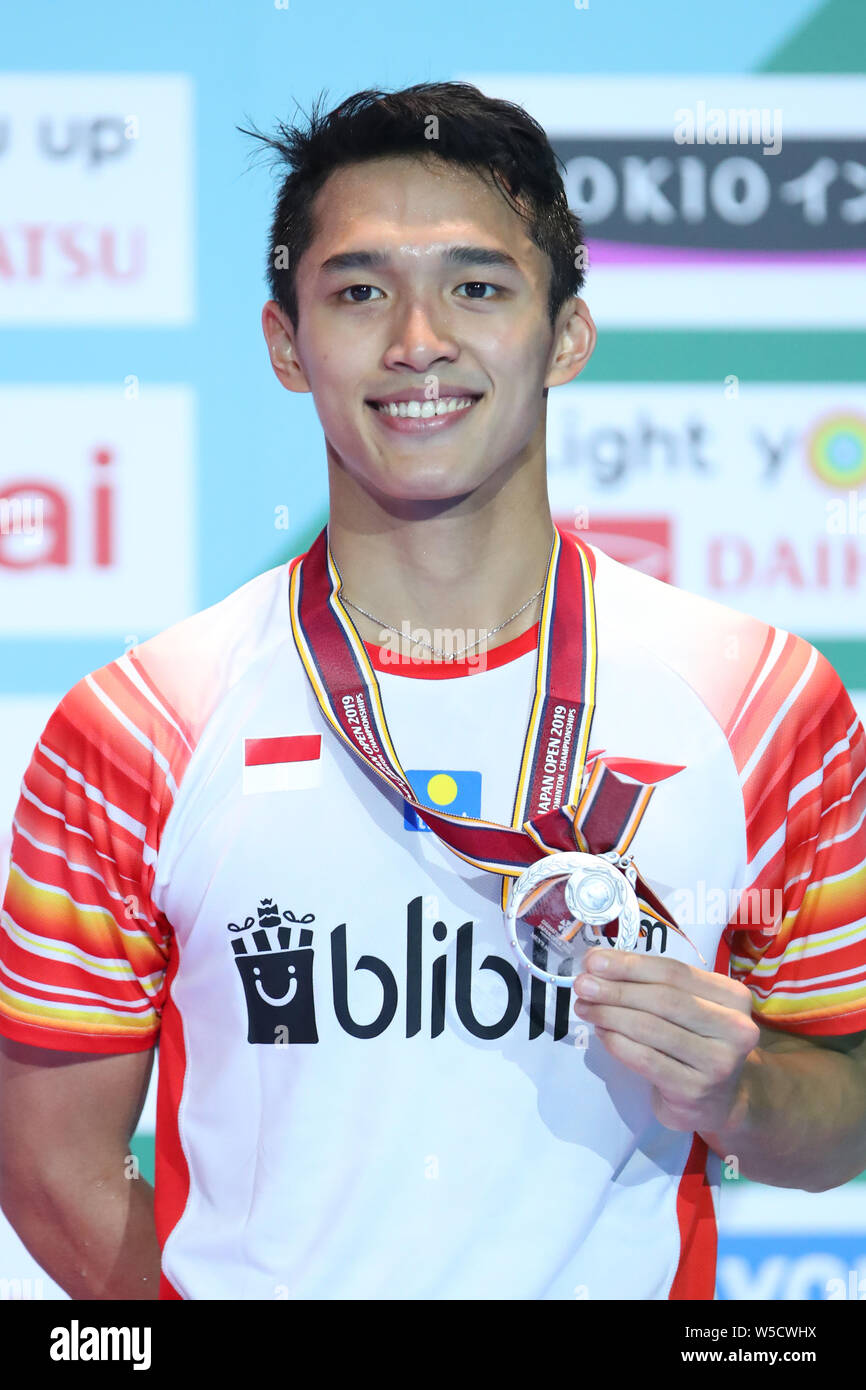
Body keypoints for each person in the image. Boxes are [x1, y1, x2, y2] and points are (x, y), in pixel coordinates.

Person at [1, 81, 864, 1302]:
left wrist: (740, 1092)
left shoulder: (761, 699)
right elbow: (51, 1169)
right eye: (359, 292)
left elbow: (844, 1116)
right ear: (285, 343)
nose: (417, 341)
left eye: (476, 286)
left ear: (564, 333)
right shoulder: (140, 722)